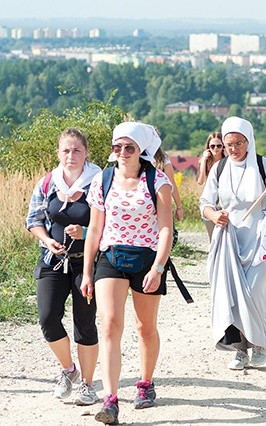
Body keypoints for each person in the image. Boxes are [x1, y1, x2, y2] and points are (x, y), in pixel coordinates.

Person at [81, 122, 174, 425]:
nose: (121, 152)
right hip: (110, 257)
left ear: (140, 151)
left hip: (147, 259)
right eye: (116, 147)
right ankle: (110, 400)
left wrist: (159, 267)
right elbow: (95, 229)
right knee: (109, 324)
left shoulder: (158, 181)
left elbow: (165, 229)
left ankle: (145, 383)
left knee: (144, 327)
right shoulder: (101, 180)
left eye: (128, 147)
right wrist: (86, 272)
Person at [200, 116, 266, 371]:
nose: (233, 149)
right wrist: (214, 215)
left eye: (239, 143)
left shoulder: (263, 165)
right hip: (229, 237)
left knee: (255, 291)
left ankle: (260, 342)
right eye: (228, 144)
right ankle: (240, 350)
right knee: (231, 294)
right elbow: (205, 204)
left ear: (249, 141)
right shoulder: (219, 169)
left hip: (260, 236)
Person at [25, 128, 101, 406]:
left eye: (77, 150)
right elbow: (33, 220)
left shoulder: (99, 182)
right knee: (47, 318)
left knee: (85, 323)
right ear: (58, 153)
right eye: (66, 150)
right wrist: (46, 240)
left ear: (86, 153)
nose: (71, 155)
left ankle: (88, 385)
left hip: (88, 263)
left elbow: (109, 224)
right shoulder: (47, 183)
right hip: (52, 261)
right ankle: (69, 370)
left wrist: (84, 230)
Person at [197, 132, 225, 240]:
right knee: (212, 232)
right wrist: (204, 160)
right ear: (208, 147)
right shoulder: (205, 161)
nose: (216, 148)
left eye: (219, 145)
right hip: (211, 198)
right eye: (212, 146)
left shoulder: (227, 161)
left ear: (223, 147)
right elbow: (200, 181)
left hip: (224, 197)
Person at [154, 147, 184, 221]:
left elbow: (171, 183)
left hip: (161, 204)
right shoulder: (134, 156)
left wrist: (179, 207)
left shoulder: (163, 159)